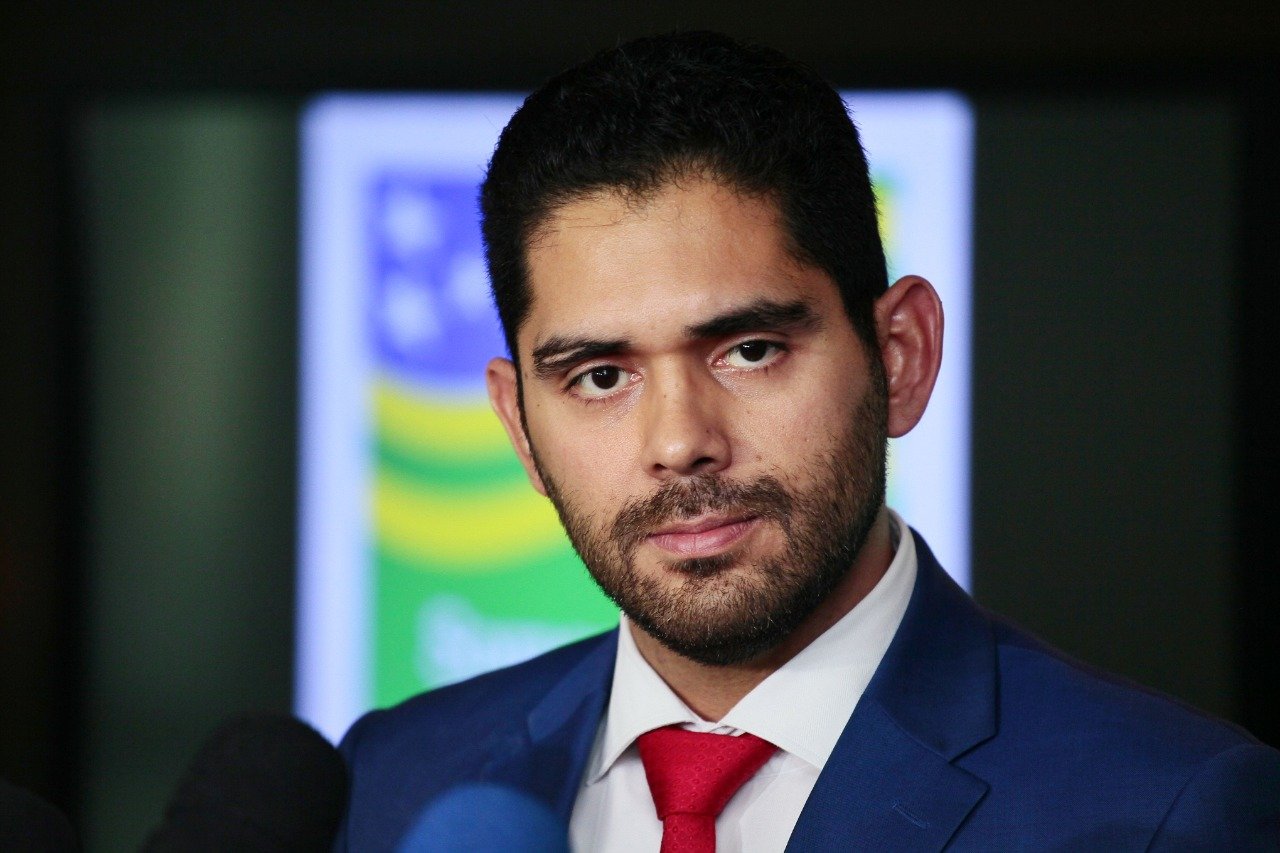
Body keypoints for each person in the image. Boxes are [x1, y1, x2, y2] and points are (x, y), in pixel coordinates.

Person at [336, 31, 1280, 850]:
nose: (680, 442)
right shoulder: (390, 781)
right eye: (601, 376)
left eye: (750, 350)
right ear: (519, 425)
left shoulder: (1171, 812)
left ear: (900, 355)